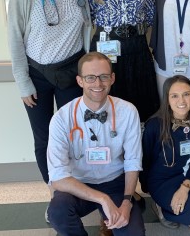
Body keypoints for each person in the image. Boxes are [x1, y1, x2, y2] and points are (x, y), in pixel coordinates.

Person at [7, 0, 91, 188]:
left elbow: (87, 29)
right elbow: (14, 37)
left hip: (70, 73)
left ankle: (77, 186)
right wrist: (23, 82)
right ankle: (55, 190)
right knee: (44, 138)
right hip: (37, 74)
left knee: (74, 135)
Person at [46, 52, 145, 235]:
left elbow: (133, 161)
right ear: (80, 81)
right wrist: (103, 199)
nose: (98, 84)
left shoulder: (128, 111)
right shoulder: (62, 118)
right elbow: (58, 176)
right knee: (57, 212)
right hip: (78, 184)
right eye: (90, 78)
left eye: (104, 77)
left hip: (115, 182)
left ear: (112, 78)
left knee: (133, 232)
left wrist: (126, 201)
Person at [140, 75, 190, 229]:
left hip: (189, 173)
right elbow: (145, 161)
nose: (182, 101)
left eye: (186, 94)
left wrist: (186, 185)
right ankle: (161, 207)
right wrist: (148, 189)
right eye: (175, 96)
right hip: (162, 180)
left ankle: (179, 201)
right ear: (167, 99)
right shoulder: (154, 126)